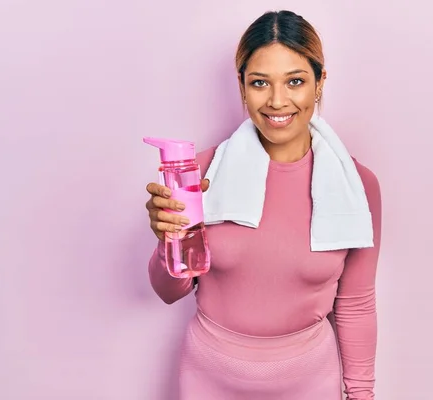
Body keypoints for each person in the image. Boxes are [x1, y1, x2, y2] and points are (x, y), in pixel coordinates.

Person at [144, 10, 382, 400]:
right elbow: (169, 291)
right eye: (259, 83)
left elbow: (355, 304)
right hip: (208, 381)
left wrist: (361, 396)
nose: (277, 101)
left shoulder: (357, 187)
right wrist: (168, 240)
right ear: (241, 86)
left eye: (295, 81)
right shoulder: (202, 174)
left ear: (319, 83)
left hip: (309, 384)